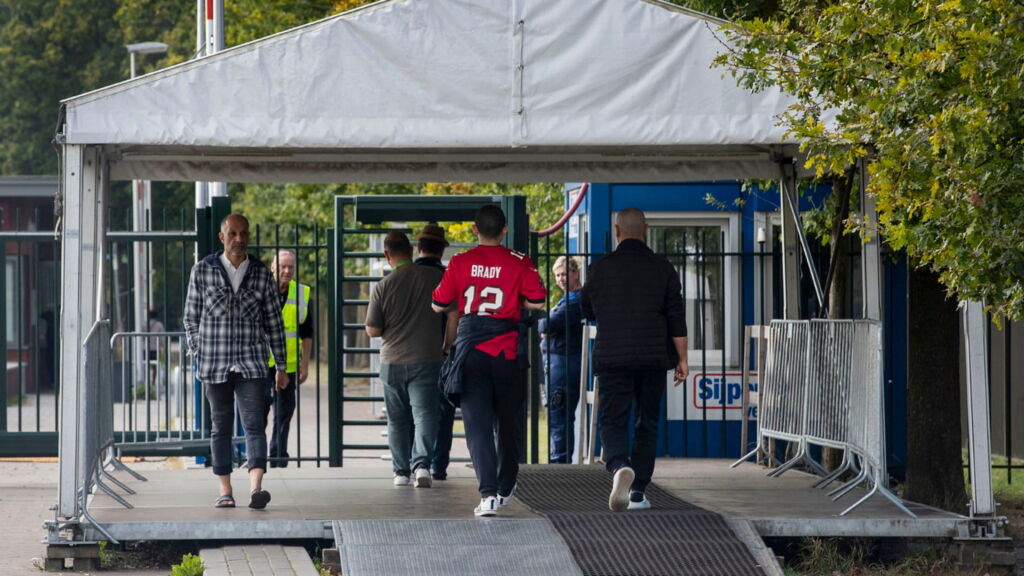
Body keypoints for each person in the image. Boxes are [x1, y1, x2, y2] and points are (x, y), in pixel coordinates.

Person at [432, 205, 547, 517]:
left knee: (477, 425)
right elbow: (538, 300)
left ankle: (488, 495)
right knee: (507, 423)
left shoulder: (459, 262)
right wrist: (514, 301)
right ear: (505, 230)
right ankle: (507, 483)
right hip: (507, 352)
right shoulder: (520, 261)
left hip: (470, 353)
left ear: (474, 229)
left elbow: (438, 304)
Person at [580, 207, 688, 512]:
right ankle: (638, 491)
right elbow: (676, 317)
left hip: (613, 357)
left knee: (612, 419)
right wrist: (682, 359)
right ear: (646, 230)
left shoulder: (599, 269)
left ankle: (618, 466)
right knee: (647, 422)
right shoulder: (663, 268)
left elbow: (586, 310)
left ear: (617, 231)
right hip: (653, 358)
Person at [183, 213, 288, 510]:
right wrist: (198, 350)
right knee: (221, 427)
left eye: (244, 234)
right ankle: (225, 490)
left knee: (255, 425)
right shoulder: (202, 270)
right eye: (233, 234)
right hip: (213, 363)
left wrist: (281, 366)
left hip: (252, 362)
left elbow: (274, 323)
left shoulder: (261, 273)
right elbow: (190, 318)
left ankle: (257, 488)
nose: (239, 239)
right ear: (222, 237)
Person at [366, 231, 445, 488]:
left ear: (387, 255)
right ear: (411, 250)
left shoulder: (383, 286)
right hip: (427, 359)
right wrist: (446, 345)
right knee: (425, 415)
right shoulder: (435, 277)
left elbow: (373, 329)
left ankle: (400, 472)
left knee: (397, 419)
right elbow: (452, 313)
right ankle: (422, 465)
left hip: (392, 362)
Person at [413, 223, 457, 481]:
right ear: (441, 251)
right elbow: (457, 316)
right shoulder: (449, 277)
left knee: (415, 412)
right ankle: (439, 465)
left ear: (419, 248)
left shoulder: (405, 276)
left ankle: (415, 462)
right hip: (443, 355)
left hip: (412, 354)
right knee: (443, 412)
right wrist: (447, 348)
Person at [265, 250, 313, 468]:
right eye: (282, 266)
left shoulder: (301, 293)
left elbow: (307, 333)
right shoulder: (260, 290)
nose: (286, 271)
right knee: (258, 413)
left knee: (284, 414)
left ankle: (277, 457)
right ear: (272, 267)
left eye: (290, 267)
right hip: (262, 365)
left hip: (290, 366)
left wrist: (305, 365)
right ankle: (257, 458)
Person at [538, 255, 584, 463]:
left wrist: (545, 328)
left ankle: (560, 461)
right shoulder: (566, 300)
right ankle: (559, 458)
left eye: (565, 274)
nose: (561, 279)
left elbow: (547, 325)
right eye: (557, 275)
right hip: (558, 363)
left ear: (575, 273)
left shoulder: (575, 301)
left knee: (560, 415)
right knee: (557, 415)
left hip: (564, 364)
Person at [147, 310, 166, 386]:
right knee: (154, 366)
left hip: (145, 347)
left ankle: (146, 381)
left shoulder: (145, 323)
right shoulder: (159, 324)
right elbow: (162, 337)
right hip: (155, 348)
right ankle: (153, 382)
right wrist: (163, 347)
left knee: (146, 364)